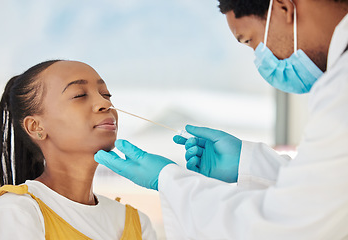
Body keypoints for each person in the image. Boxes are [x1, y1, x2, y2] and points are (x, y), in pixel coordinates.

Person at [94, 0, 348, 239]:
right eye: (79, 95)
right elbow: (331, 190)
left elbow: (287, 224)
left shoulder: (341, 91)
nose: (103, 105)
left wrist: (168, 180)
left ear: (283, 8)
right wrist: (248, 163)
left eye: (250, 40)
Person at [0, 60, 157, 240]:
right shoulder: (16, 211)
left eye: (106, 94)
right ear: (36, 127)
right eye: (79, 95)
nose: (105, 104)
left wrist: (183, 181)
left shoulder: (138, 223)